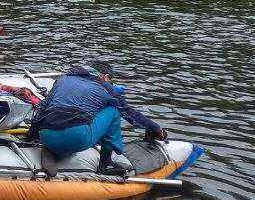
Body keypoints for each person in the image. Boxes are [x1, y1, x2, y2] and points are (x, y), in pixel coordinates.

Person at [29, 60, 167, 176]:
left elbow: (42, 108)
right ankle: (105, 165)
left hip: (46, 135)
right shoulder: (107, 88)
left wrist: (32, 135)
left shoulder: (62, 80)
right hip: (77, 137)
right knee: (113, 110)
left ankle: (52, 149)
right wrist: (156, 128)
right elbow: (130, 114)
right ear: (105, 77)